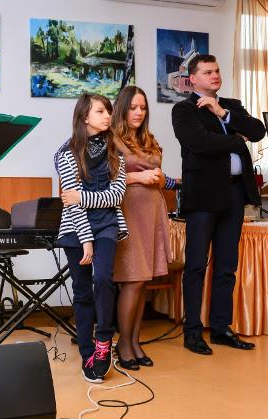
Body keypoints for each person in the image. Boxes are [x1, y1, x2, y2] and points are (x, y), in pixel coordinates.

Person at [171, 54, 265, 355]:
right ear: (193, 79)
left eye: (217, 70)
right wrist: (237, 140)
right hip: (203, 197)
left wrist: (222, 113)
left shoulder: (232, 106)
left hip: (235, 194)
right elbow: (200, 143)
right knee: (196, 266)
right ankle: (192, 332)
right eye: (208, 72)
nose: (215, 75)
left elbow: (258, 131)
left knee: (227, 266)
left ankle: (221, 328)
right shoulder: (183, 110)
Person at [55, 93, 127, 383]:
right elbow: (71, 205)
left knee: (104, 279)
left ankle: (104, 340)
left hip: (107, 224)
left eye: (108, 111)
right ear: (85, 117)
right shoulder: (66, 153)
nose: (108, 115)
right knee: (82, 291)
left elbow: (116, 196)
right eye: (100, 111)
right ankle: (87, 352)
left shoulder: (116, 152)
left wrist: (82, 197)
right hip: (76, 228)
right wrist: (85, 239)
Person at [111, 86, 176, 370]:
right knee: (133, 279)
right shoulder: (111, 139)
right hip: (128, 213)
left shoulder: (149, 139)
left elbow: (160, 177)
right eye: (133, 107)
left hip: (152, 213)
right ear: (122, 109)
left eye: (143, 108)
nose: (139, 113)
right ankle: (123, 344)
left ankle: (135, 342)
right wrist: (139, 178)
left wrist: (159, 179)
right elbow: (105, 179)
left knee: (143, 281)